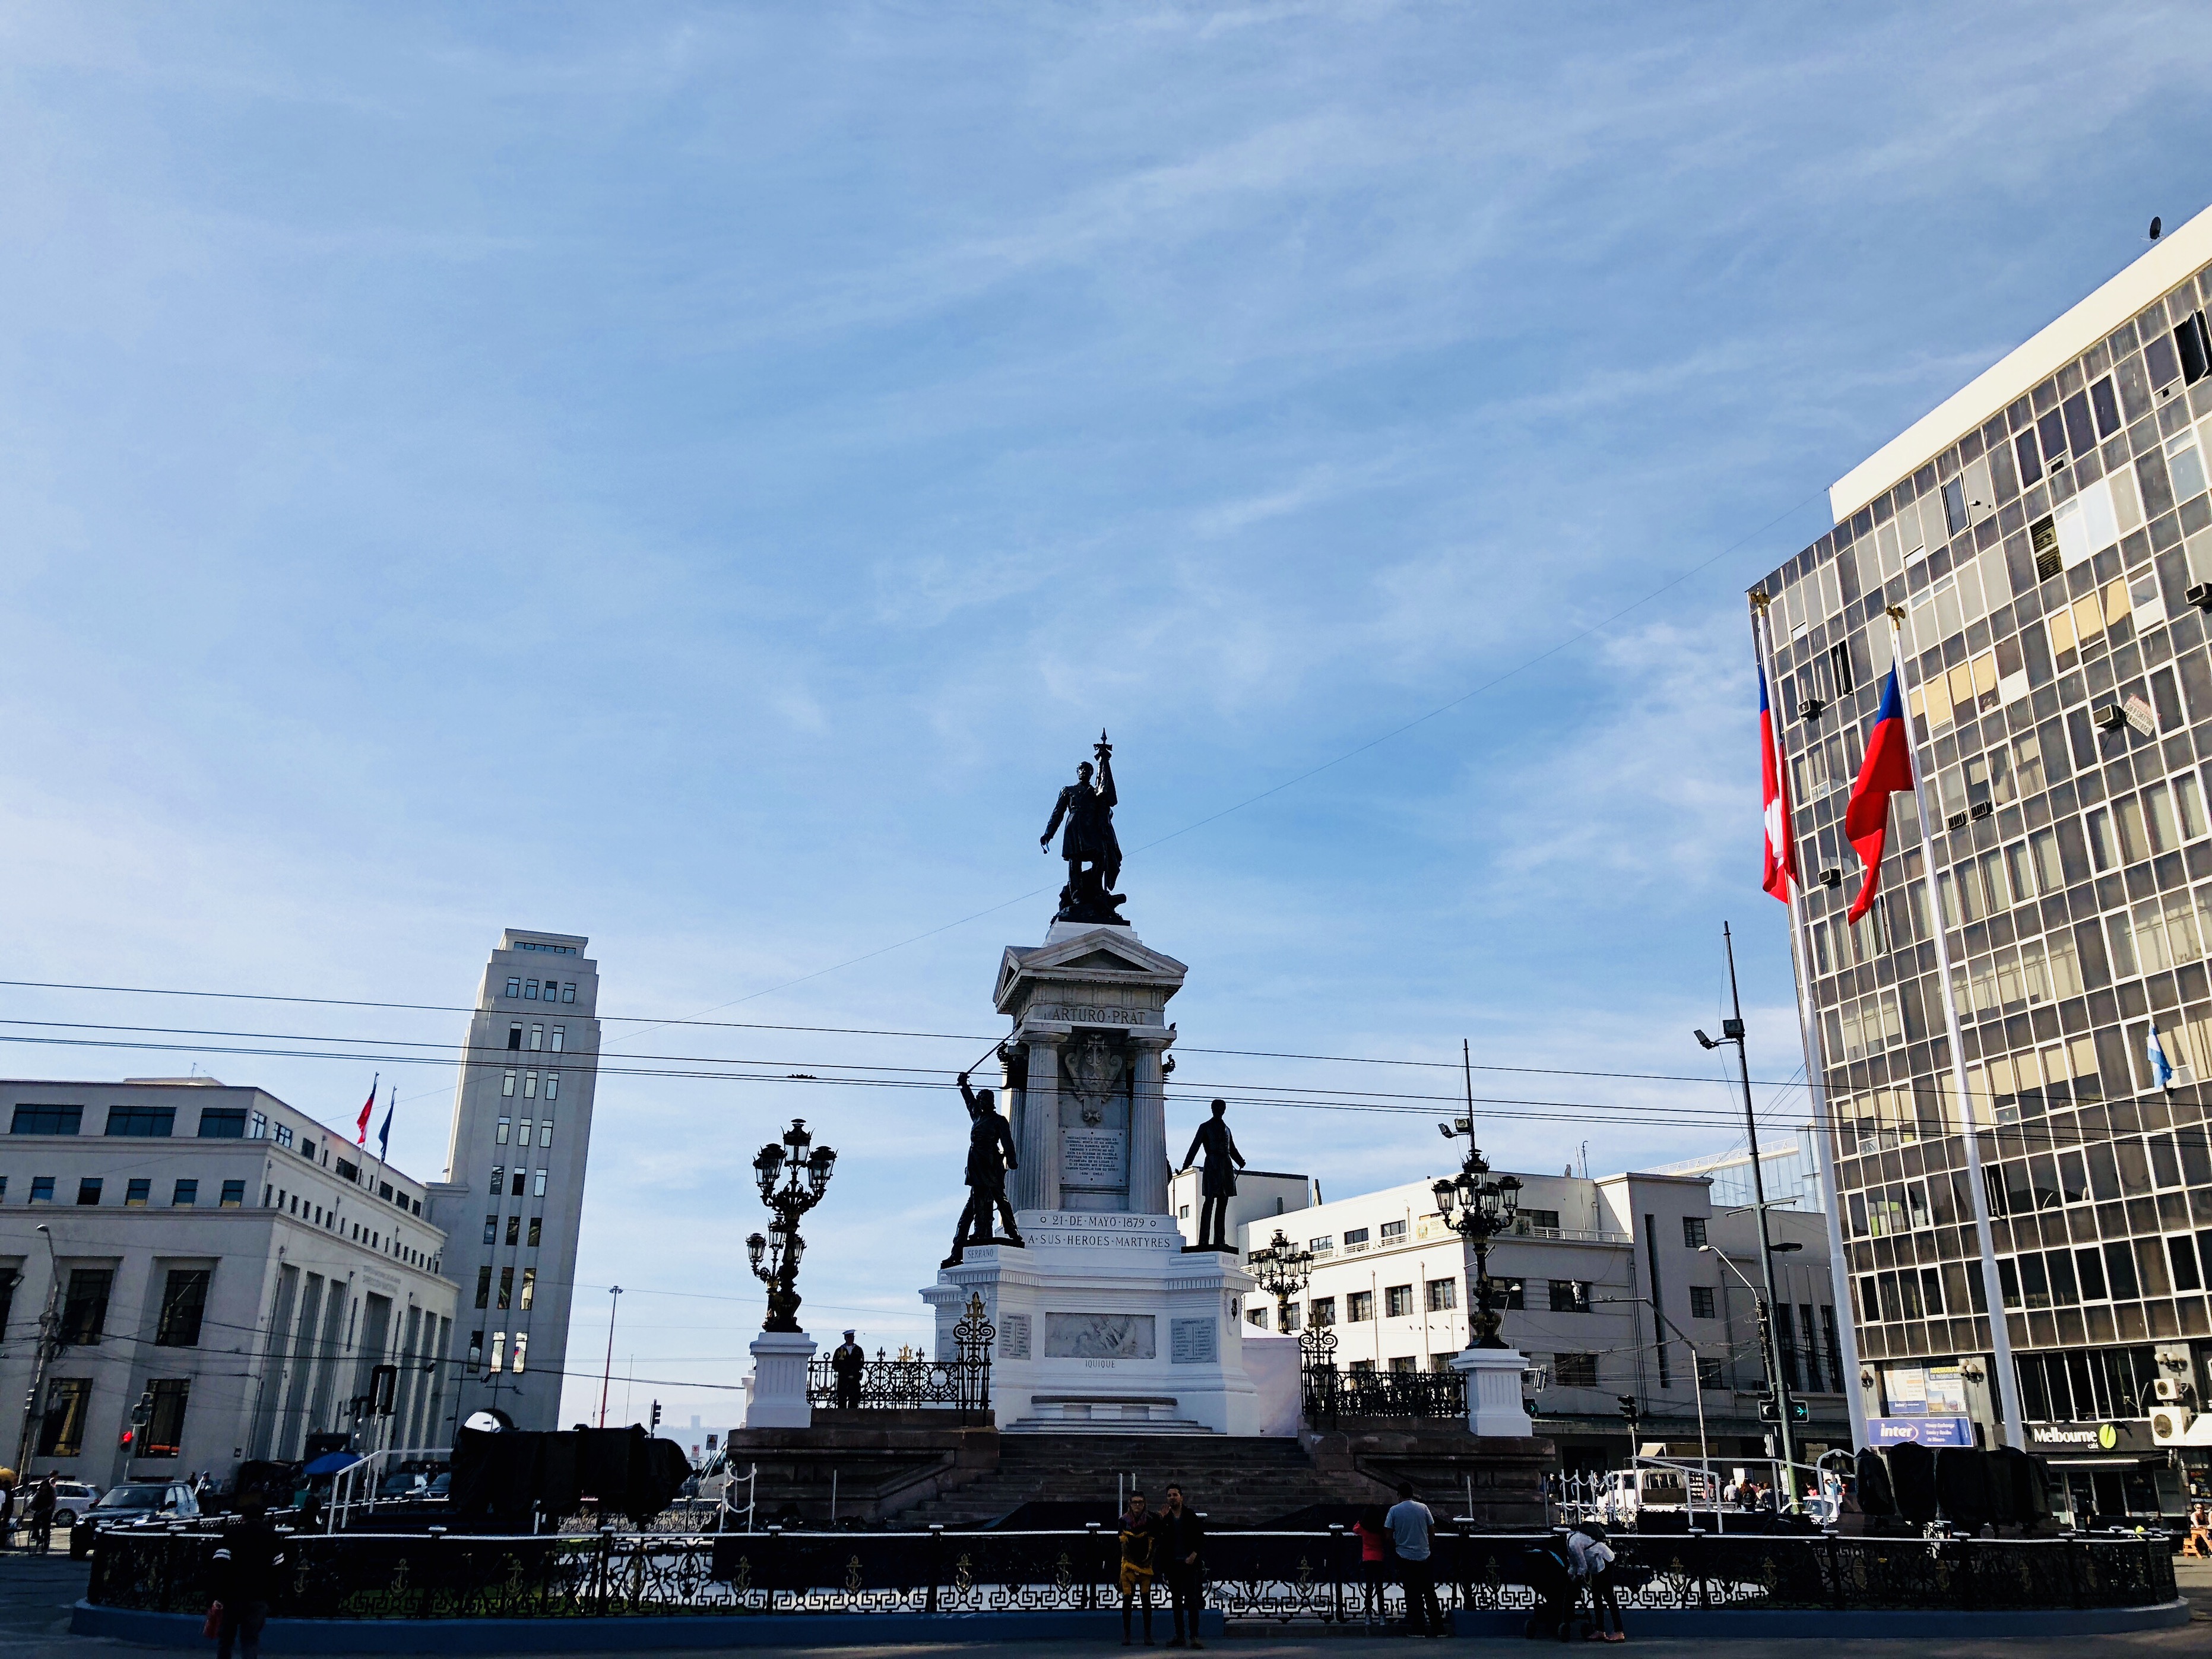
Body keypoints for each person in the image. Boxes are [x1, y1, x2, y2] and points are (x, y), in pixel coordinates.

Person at [942, 1071, 1022, 1267]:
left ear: (991, 1102)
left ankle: (1012, 1233)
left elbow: (1007, 1142)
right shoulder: (977, 1117)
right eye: (980, 1100)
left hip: (991, 1165)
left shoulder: (998, 1120)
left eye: (984, 1100)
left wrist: (1011, 1160)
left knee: (999, 1200)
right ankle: (959, 1249)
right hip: (976, 1165)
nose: (981, 1103)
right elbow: (969, 1102)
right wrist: (964, 1085)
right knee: (974, 1206)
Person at [209, 1492, 287, 1659]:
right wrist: (272, 1598)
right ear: (263, 1518)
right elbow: (279, 1570)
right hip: (258, 1597)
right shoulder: (272, 1537)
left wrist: (218, 1594)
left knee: (226, 1639)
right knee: (250, 1639)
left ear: (243, 1517)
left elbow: (219, 1564)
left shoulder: (232, 1534)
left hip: (232, 1596)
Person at [1179, 1100, 1247, 1251]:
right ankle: (1203, 1241)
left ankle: (1220, 1239)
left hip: (1226, 1167)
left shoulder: (1227, 1129)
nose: (1219, 1111)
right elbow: (1194, 1147)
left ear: (1224, 1110)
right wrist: (1185, 1166)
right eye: (1216, 1108)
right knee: (1209, 1202)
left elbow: (1232, 1149)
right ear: (1212, 1109)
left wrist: (1240, 1161)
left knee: (1223, 1204)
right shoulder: (1205, 1127)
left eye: (1221, 1108)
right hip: (1212, 1166)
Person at [1384, 1481, 1441, 1638]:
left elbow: (1388, 1535)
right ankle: (1438, 1628)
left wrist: (1397, 1545)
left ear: (1399, 1495)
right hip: (1424, 1555)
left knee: (1413, 1594)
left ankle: (1419, 1629)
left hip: (1405, 1556)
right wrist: (1428, 1546)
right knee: (1430, 1593)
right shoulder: (1423, 1508)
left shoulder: (1394, 1511)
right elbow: (1431, 1530)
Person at [1157, 1484, 1206, 1648]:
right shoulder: (1166, 1518)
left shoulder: (1190, 1515)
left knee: (1192, 1601)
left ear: (1181, 1497)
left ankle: (1194, 1636)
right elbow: (1161, 1541)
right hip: (1173, 1565)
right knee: (1176, 1602)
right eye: (1169, 1495)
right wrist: (1162, 1520)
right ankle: (1180, 1635)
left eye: (1175, 1495)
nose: (1172, 1498)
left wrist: (1193, 1556)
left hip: (1189, 1565)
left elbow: (1200, 1538)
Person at [1565, 1519, 1624, 1643]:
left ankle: (1619, 1631)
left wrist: (1577, 1579)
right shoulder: (1570, 1542)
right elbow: (1573, 1563)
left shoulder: (1574, 1543)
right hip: (1596, 1564)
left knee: (1608, 1596)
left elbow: (1582, 1566)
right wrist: (1570, 1574)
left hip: (1604, 1560)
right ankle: (1600, 1630)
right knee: (1596, 1596)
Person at [1118, 1490, 1158, 1645]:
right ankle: (1127, 1634)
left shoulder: (1150, 1520)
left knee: (1146, 1599)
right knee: (1127, 1599)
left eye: (1140, 1502)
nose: (1137, 1505)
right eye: (1135, 1502)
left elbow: (1154, 1542)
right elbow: (1121, 1544)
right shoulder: (1123, 1521)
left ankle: (1148, 1634)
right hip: (1128, 1564)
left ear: (1144, 1504)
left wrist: (1147, 1561)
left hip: (1145, 1564)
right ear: (1130, 1504)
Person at [1352, 1503, 1391, 1629]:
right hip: (1379, 1558)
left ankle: (1368, 1615)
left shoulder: (1363, 1527)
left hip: (1367, 1559)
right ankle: (1382, 1616)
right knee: (1380, 1589)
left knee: (1369, 1588)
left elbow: (1355, 1529)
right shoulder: (1381, 1528)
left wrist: (1360, 1521)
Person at [830, 1330, 867, 1410]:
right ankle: (841, 1412)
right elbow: (835, 1364)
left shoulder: (858, 1350)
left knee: (854, 1397)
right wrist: (844, 1371)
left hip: (855, 1377)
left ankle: (853, 1412)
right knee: (842, 1396)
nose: (851, 1339)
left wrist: (854, 1371)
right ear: (845, 1338)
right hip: (843, 1377)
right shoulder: (840, 1350)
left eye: (852, 1337)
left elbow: (861, 1363)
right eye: (849, 1337)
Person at [28, 1476, 56, 1554]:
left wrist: (49, 1508)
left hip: (48, 1510)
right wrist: (28, 1508)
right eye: (43, 1486)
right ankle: (36, 1535)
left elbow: (53, 1502)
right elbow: (33, 1501)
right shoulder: (39, 1492)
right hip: (39, 1508)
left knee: (46, 1526)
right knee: (35, 1520)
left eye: (45, 1486)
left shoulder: (51, 1493)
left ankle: (46, 1541)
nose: (44, 1488)